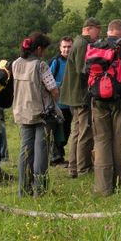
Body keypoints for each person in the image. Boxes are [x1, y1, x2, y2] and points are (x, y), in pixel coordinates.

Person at [91, 19, 121, 196]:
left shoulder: (96, 46)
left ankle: (103, 187)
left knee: (102, 141)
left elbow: (85, 73)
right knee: (120, 139)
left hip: (98, 100)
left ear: (109, 31)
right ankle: (120, 181)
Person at [12, 32, 61, 197]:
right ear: (39, 49)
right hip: (42, 114)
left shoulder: (16, 63)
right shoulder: (41, 65)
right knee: (41, 152)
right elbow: (53, 89)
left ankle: (23, 190)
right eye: (44, 49)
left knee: (25, 152)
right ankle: (40, 190)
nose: (45, 53)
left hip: (22, 112)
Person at [61, 17, 101, 178]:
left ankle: (73, 167)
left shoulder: (78, 42)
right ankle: (83, 168)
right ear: (89, 28)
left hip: (74, 95)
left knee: (77, 132)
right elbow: (82, 70)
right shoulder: (83, 44)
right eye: (97, 28)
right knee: (85, 132)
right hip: (80, 95)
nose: (99, 33)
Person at [48, 36, 74, 166]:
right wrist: (61, 84)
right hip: (57, 104)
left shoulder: (75, 61)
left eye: (69, 47)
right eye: (64, 47)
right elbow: (47, 80)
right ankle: (56, 158)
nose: (67, 49)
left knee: (67, 131)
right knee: (58, 132)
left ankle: (59, 155)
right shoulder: (56, 62)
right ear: (60, 48)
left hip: (70, 103)